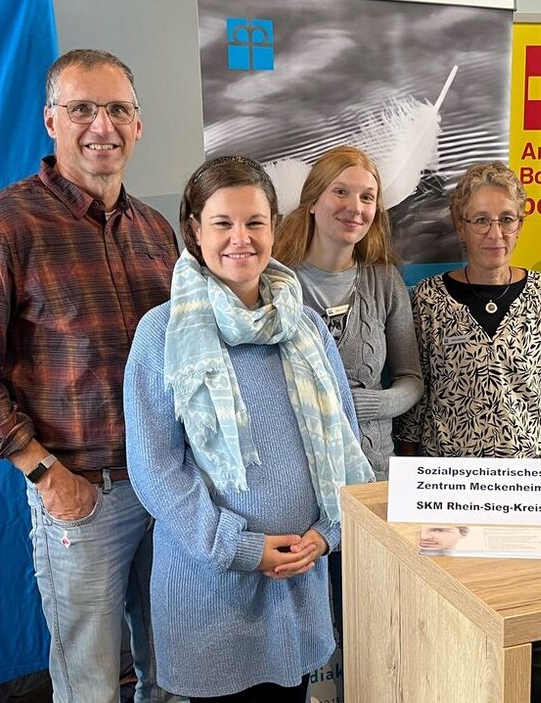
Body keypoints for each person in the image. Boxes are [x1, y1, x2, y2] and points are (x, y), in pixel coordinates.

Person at [0, 49, 177, 703]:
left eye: (118, 109)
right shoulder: (5, 222)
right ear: (51, 119)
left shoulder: (157, 233)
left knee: (173, 667)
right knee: (89, 681)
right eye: (82, 109)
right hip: (83, 496)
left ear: (138, 124)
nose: (102, 124)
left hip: (168, 491)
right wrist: (45, 473)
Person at [123, 156, 373, 702]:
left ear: (274, 225)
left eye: (255, 222)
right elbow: (154, 468)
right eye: (223, 223)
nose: (241, 238)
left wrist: (327, 534)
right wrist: (237, 546)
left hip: (299, 581)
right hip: (213, 590)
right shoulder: (161, 333)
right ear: (194, 230)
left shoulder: (305, 325)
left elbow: (344, 439)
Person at [397, 161, 541, 703]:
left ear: (521, 224)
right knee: (458, 608)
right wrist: (407, 477)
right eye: (480, 220)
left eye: (506, 219)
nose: (494, 233)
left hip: (532, 485)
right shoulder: (428, 300)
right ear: (459, 224)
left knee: (534, 611)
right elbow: (417, 391)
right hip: (452, 486)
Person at [272, 145, 423, 481]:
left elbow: (411, 380)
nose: (355, 208)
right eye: (341, 192)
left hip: (374, 468)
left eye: (367, 197)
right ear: (312, 202)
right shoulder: (275, 282)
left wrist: (370, 405)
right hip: (298, 474)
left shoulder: (384, 280)